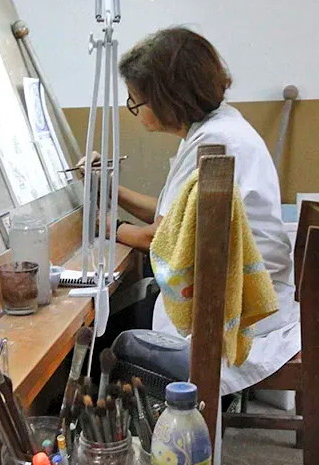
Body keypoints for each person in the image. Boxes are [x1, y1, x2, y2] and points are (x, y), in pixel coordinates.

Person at [81, 27, 300, 397]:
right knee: (128, 309)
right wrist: (107, 190)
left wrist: (104, 226)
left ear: (167, 99)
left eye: (136, 101)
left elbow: (159, 236)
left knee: (107, 335)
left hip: (241, 303)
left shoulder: (216, 141)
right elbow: (172, 218)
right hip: (244, 289)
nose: (135, 110)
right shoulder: (219, 126)